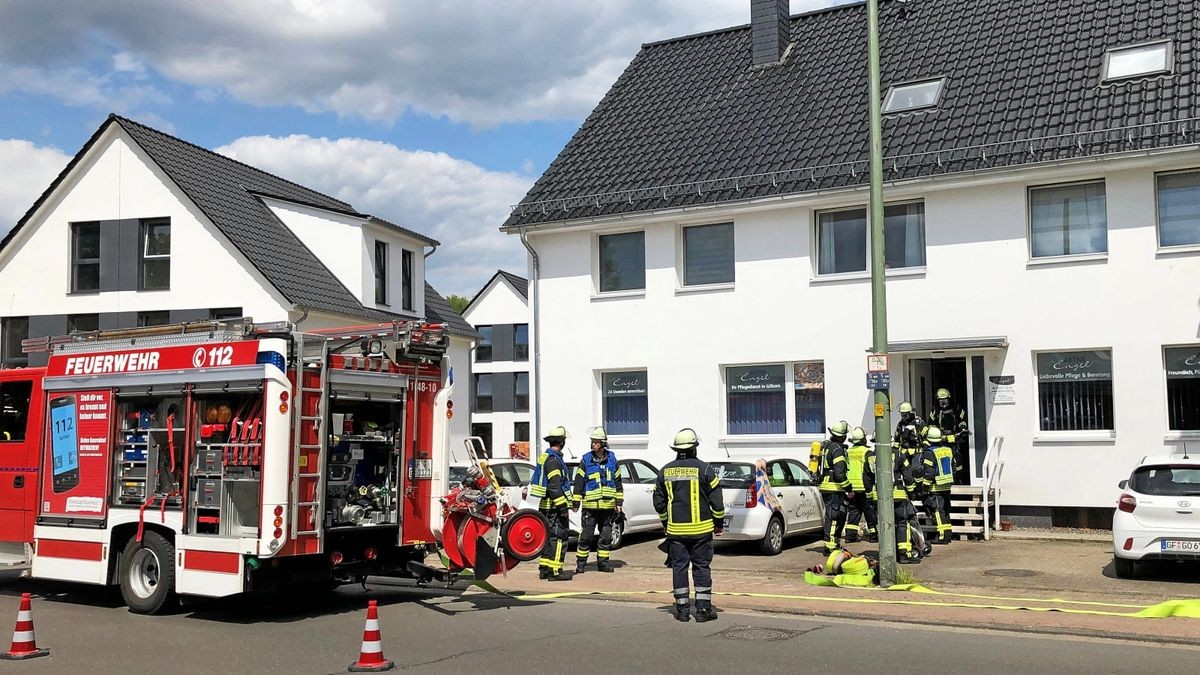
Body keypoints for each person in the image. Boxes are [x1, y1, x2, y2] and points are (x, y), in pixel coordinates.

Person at [653, 428, 724, 623]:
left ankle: (682, 610)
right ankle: (702, 610)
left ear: (676, 449)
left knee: (679, 568)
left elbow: (658, 500)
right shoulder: (706, 469)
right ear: (694, 448)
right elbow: (717, 501)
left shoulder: (665, 471)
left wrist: (665, 522)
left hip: (676, 532)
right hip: (701, 531)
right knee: (701, 568)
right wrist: (718, 523)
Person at [863, 435, 921, 564]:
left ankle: (887, 552)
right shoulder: (899, 454)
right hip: (898, 496)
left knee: (885, 524)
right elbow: (908, 475)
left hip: (880, 497)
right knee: (902, 523)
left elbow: (867, 479)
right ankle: (904, 553)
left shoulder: (870, 456)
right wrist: (911, 492)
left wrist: (869, 497)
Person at [572, 427, 623, 574]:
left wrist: (619, 503)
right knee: (586, 537)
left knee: (606, 536)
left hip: (607, 507)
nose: (593, 444)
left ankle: (603, 563)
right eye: (592, 442)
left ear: (603, 443)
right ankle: (581, 563)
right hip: (590, 507)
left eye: (596, 442)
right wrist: (576, 502)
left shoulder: (612, 459)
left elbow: (618, 482)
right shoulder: (586, 460)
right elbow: (579, 482)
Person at [530, 425, 572, 580]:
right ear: (561, 442)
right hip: (554, 508)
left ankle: (545, 569)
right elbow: (555, 487)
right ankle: (555, 571)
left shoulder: (546, 457)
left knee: (548, 538)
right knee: (559, 538)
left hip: (546, 507)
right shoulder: (554, 460)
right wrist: (562, 508)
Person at [815, 420, 852, 555]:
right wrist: (849, 488)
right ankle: (831, 547)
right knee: (835, 517)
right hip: (834, 488)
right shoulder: (837, 449)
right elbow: (839, 473)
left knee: (834, 516)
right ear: (842, 436)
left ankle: (832, 544)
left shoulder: (827, 447)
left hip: (826, 486)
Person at [921, 426, 958, 545]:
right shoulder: (947, 450)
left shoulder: (929, 452)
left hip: (935, 487)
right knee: (945, 511)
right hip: (947, 486)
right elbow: (954, 468)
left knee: (938, 511)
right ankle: (948, 534)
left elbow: (929, 472)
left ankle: (942, 536)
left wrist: (924, 487)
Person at [925, 389, 969, 482]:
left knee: (957, 458)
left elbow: (962, 419)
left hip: (954, 437)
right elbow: (931, 424)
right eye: (940, 400)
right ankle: (944, 479)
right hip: (941, 439)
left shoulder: (955, 407)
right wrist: (937, 434)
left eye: (945, 399)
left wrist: (962, 429)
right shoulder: (935, 410)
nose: (943, 402)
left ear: (949, 398)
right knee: (943, 459)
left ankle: (958, 479)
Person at [842, 427, 874, 544]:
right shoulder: (867, 452)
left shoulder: (847, 452)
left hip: (851, 488)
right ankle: (873, 535)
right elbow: (872, 469)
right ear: (864, 439)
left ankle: (850, 536)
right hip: (864, 487)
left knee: (854, 512)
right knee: (869, 511)